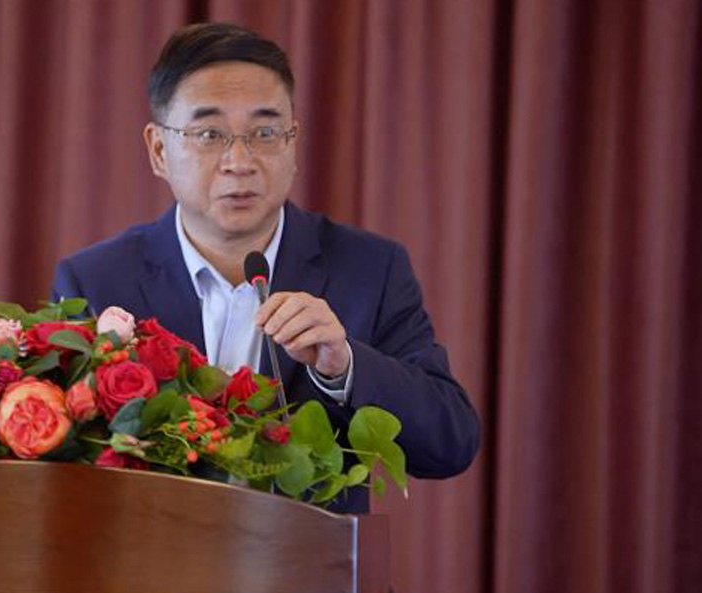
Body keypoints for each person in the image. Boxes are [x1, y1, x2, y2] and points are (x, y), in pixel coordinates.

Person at [51, 23, 480, 513]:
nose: (240, 161)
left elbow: (450, 444)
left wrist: (345, 367)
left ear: (293, 143)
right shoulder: (97, 281)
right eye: (209, 134)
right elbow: (67, 474)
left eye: (266, 132)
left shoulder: (369, 270)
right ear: (159, 151)